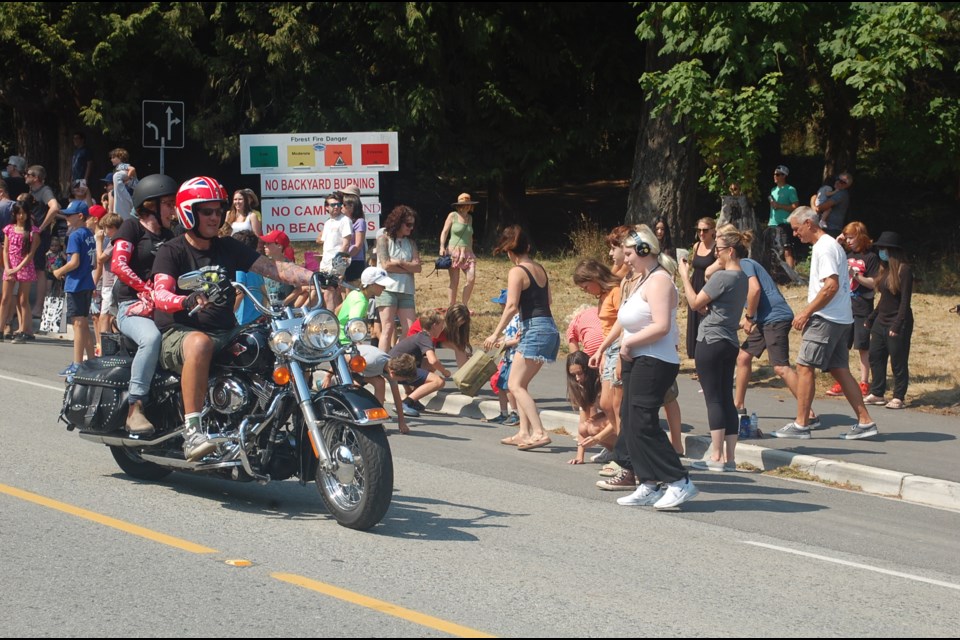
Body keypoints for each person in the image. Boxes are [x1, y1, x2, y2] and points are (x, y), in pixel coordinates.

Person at [151, 176, 318, 460]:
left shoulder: (227, 247)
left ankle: (271, 425)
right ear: (190, 212)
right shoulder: (172, 250)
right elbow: (160, 294)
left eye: (218, 211)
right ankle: (193, 432)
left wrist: (314, 276)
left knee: (278, 343)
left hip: (225, 331)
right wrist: (186, 299)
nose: (215, 217)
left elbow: (273, 268)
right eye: (207, 211)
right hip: (178, 332)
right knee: (200, 343)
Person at [610, 225, 698, 509]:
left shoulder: (660, 281)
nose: (625, 259)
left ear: (644, 251)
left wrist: (628, 343)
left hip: (655, 360)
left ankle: (679, 480)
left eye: (628, 253)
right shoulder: (642, 280)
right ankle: (648, 482)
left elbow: (661, 326)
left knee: (645, 422)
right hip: (637, 358)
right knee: (632, 422)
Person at [771, 207, 878, 440]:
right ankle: (865, 421)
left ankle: (801, 424)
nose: (796, 235)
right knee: (840, 370)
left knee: (804, 366)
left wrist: (806, 312)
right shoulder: (829, 245)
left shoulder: (825, 247)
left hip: (826, 318)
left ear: (810, 223)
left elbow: (830, 285)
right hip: (840, 318)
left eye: (798, 229)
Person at [110, 175, 180, 434]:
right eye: (169, 204)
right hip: (132, 307)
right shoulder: (131, 228)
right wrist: (145, 288)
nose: (173, 210)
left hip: (163, 306)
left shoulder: (171, 235)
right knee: (150, 339)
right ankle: (135, 407)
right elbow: (118, 264)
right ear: (151, 205)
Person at [731, 229, 820, 427]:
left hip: (775, 318)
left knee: (780, 367)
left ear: (730, 251)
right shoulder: (737, 268)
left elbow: (754, 290)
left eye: (719, 249)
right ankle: (738, 406)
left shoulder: (744, 264)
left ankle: (809, 414)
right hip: (765, 320)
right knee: (743, 357)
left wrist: (749, 317)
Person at [482, 225, 560, 451]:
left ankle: (539, 432)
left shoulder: (516, 271)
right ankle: (524, 432)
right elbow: (549, 301)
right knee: (521, 384)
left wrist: (496, 333)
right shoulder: (539, 268)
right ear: (527, 246)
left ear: (508, 251)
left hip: (534, 328)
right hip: (547, 327)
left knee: (515, 384)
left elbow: (511, 306)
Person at [679, 224, 749, 472]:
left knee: (713, 399)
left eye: (719, 250)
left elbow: (695, 301)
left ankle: (716, 455)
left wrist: (685, 276)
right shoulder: (742, 277)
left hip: (710, 340)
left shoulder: (723, 276)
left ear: (730, 251)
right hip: (729, 340)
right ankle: (729, 458)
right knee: (726, 398)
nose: (715, 253)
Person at [573, 258, 623, 456]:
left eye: (586, 287)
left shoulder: (616, 292)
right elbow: (605, 328)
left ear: (595, 278)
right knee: (606, 405)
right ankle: (618, 449)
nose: (586, 291)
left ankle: (623, 454)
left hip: (618, 348)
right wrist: (602, 354)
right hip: (608, 351)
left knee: (614, 406)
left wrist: (607, 351)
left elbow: (623, 322)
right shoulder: (603, 295)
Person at [827, 222, 880, 397]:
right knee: (843, 345)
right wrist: (838, 241)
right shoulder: (844, 253)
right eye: (846, 237)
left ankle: (864, 382)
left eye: (851, 237)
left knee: (862, 345)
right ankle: (843, 381)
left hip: (862, 307)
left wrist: (855, 274)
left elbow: (874, 283)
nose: (848, 241)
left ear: (861, 236)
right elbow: (831, 257)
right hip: (844, 306)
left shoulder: (871, 257)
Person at [863, 232, 914, 410]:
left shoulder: (904, 270)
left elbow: (905, 302)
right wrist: (872, 318)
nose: (880, 252)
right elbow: (884, 299)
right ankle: (877, 392)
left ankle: (899, 396)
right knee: (876, 356)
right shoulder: (883, 270)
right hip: (881, 320)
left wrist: (897, 324)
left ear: (892, 251)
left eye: (883, 249)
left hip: (898, 321)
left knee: (898, 360)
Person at [52, 200, 96, 377]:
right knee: (84, 323)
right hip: (86, 283)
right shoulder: (89, 234)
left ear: (80, 216)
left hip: (76, 284)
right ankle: (92, 360)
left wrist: (59, 271)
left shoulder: (75, 236)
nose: (66, 217)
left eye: (69, 215)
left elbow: (74, 261)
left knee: (78, 324)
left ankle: (77, 363)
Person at [388, 310, 450, 419]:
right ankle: (405, 403)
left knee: (427, 366)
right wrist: (445, 372)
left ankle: (411, 395)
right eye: (441, 325)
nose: (443, 328)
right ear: (434, 326)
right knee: (438, 381)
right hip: (397, 369)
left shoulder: (420, 336)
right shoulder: (425, 338)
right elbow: (433, 361)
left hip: (392, 367)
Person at [375, 205, 421, 352]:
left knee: (410, 329)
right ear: (398, 222)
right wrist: (408, 268)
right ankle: (381, 363)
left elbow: (418, 267)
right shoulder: (384, 239)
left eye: (413, 225)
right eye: (408, 224)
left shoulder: (411, 243)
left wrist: (400, 263)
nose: (411, 228)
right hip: (387, 289)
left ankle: (395, 356)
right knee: (387, 327)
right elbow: (386, 265)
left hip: (406, 290)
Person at [566, 351, 616, 465]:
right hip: (613, 419)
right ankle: (614, 451)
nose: (577, 378)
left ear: (588, 369)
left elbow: (620, 418)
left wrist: (598, 438)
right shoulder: (583, 387)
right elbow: (582, 425)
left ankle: (623, 454)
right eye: (573, 375)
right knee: (585, 427)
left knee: (593, 429)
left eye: (580, 373)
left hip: (624, 419)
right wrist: (580, 456)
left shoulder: (603, 383)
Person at [24, 165, 61, 320]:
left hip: (39, 236)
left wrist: (40, 227)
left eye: (29, 174)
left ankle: (39, 307)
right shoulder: (33, 191)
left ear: (36, 178)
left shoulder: (45, 191)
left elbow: (55, 207)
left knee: (40, 270)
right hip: (31, 235)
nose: (25, 176)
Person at [1, 201, 40, 344]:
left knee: (23, 300)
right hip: (10, 266)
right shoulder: (9, 229)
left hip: (25, 267)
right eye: (19, 213)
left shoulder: (33, 232)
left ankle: (24, 330)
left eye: (24, 213)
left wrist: (17, 268)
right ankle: (1, 327)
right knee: (5, 298)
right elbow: (5, 250)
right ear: (14, 214)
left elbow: (30, 254)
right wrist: (7, 267)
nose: (21, 216)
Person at [486, 288, 520, 426]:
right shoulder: (510, 320)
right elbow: (507, 335)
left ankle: (515, 413)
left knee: (508, 386)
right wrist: (498, 340)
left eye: (502, 305)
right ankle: (503, 412)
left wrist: (505, 343)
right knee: (500, 384)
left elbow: (520, 339)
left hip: (515, 357)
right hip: (507, 357)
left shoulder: (520, 318)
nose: (501, 308)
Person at [685, 216, 717, 361]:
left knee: (704, 325)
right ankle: (697, 360)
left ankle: (705, 362)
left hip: (708, 287)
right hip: (695, 284)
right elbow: (693, 266)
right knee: (693, 324)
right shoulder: (697, 246)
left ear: (712, 231)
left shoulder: (717, 248)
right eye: (699, 230)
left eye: (705, 230)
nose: (702, 233)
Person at [439, 192, 478, 309]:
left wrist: (471, 250)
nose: (467, 206)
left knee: (471, 279)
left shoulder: (470, 218)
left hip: (468, 252)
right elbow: (444, 231)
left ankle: (464, 307)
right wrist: (442, 246)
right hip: (454, 252)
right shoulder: (453, 215)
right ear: (459, 205)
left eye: (468, 204)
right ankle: (452, 307)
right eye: (464, 204)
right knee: (454, 281)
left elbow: (470, 236)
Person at [316, 191, 352, 310]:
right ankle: (337, 321)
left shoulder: (345, 220)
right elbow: (326, 244)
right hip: (325, 263)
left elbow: (346, 244)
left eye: (338, 204)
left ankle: (331, 321)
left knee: (329, 294)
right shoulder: (327, 223)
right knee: (332, 295)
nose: (336, 207)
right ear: (326, 207)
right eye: (333, 205)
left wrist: (338, 267)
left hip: (336, 264)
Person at [94, 209, 121, 337]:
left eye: (107, 228)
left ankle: (104, 346)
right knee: (111, 314)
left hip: (110, 283)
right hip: (111, 282)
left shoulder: (114, 242)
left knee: (105, 315)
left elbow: (100, 258)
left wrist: (99, 241)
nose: (105, 231)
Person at [231, 230, 267, 325]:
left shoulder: (240, 269)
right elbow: (263, 291)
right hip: (258, 317)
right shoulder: (255, 269)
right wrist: (263, 312)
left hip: (243, 321)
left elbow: (240, 294)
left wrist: (228, 314)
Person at [768, 164, 800, 268]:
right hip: (772, 223)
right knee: (773, 249)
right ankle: (777, 272)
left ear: (784, 176)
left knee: (787, 248)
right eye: (774, 174)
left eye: (777, 174)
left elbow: (796, 206)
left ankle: (791, 275)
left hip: (784, 223)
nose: (775, 176)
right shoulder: (773, 190)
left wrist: (780, 205)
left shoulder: (790, 189)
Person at [336, 184, 368, 284]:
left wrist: (344, 257)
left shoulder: (359, 221)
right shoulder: (344, 221)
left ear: (352, 204)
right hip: (344, 259)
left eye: (344, 204)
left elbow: (358, 245)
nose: (341, 206)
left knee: (352, 289)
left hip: (354, 260)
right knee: (342, 289)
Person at [811, 172, 853, 237]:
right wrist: (813, 199)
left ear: (847, 185)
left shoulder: (841, 194)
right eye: (837, 179)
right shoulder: (833, 191)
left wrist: (813, 205)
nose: (838, 182)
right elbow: (815, 197)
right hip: (826, 229)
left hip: (831, 230)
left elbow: (821, 207)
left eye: (842, 182)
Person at [109, 148, 137, 218]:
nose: (111, 159)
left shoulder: (121, 166)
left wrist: (128, 177)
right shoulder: (119, 167)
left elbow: (132, 169)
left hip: (133, 188)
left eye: (113, 157)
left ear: (120, 158)